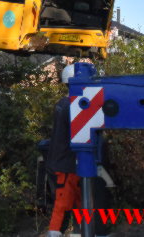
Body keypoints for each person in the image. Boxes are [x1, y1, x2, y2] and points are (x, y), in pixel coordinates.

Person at [45, 65, 109, 237]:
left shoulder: (63, 104)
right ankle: (54, 232)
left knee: (79, 201)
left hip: (66, 161)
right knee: (63, 203)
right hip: (66, 163)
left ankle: (85, 231)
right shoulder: (73, 108)